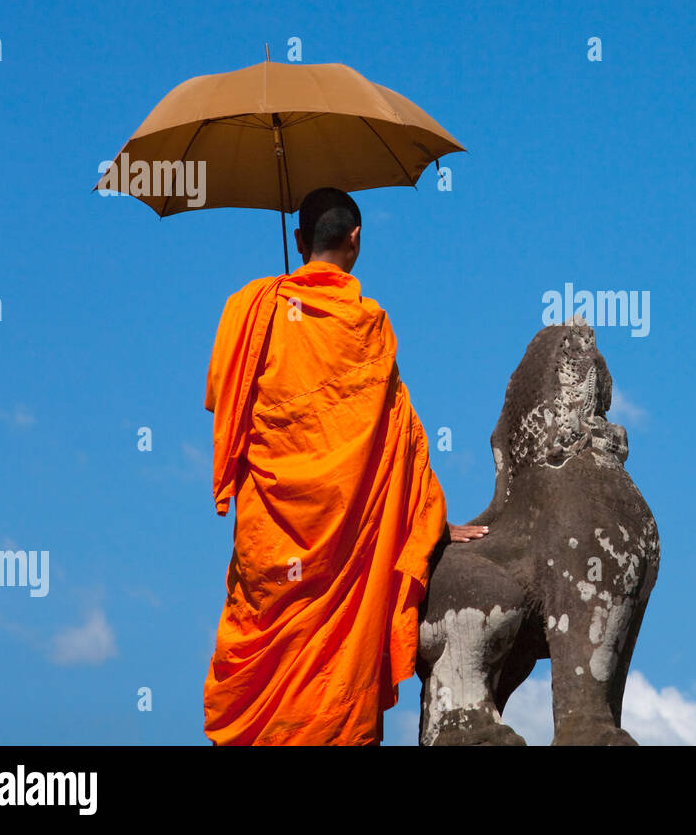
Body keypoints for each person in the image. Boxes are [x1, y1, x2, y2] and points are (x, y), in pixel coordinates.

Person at [202, 186, 486, 745]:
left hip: (271, 547)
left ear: (299, 240)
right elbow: (398, 441)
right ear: (355, 239)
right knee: (334, 706)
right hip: (346, 556)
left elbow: (220, 396)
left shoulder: (251, 308)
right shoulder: (368, 324)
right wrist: (425, 523)